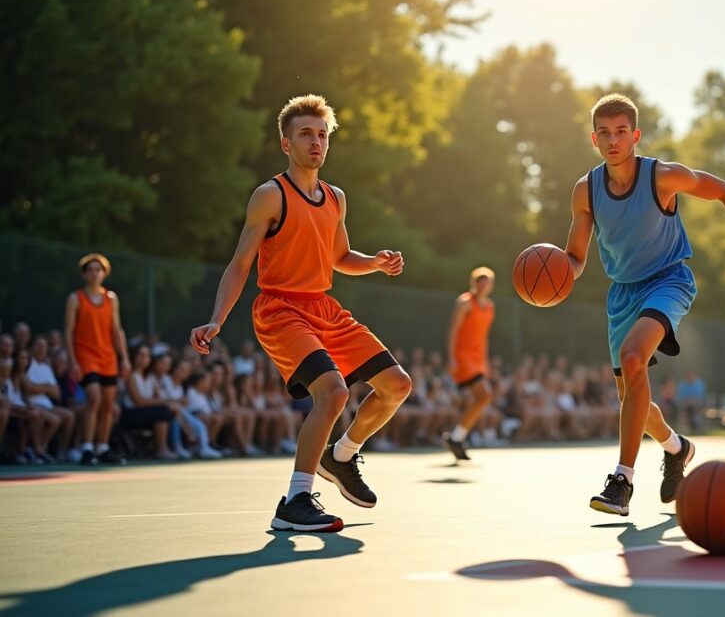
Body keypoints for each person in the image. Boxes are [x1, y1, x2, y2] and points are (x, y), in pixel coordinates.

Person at [190, 94, 412, 532]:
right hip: (281, 309)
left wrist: (374, 262)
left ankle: (341, 456)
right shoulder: (270, 196)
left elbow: (340, 256)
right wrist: (217, 319)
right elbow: (240, 265)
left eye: (322, 135)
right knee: (333, 393)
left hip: (324, 307)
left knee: (397, 385)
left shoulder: (336, 198)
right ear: (286, 144)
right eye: (306, 134)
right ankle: (294, 501)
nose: (316, 142)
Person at [564, 93, 725, 516]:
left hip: (669, 280)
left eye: (621, 132)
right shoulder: (585, 191)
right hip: (623, 293)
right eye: (605, 133)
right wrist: (557, 278)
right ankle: (676, 447)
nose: (613, 140)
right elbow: (575, 258)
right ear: (594, 139)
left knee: (633, 358)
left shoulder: (662, 177)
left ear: (636, 136)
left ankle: (622, 481)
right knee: (631, 396)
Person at [65, 253, 130, 465]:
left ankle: (102, 447)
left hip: (107, 357)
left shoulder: (111, 298)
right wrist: (73, 361)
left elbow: (116, 329)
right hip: (85, 355)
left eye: (98, 269)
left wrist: (124, 358)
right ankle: (86, 448)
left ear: (104, 273)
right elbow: (68, 332)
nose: (94, 273)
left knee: (108, 404)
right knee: (93, 398)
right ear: (84, 274)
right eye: (90, 270)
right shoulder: (75, 298)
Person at [444, 267, 497, 461]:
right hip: (463, 355)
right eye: (480, 280)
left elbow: (484, 336)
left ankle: (457, 438)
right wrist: (451, 357)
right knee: (484, 395)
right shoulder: (465, 302)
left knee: (482, 398)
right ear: (474, 283)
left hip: (478, 358)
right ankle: (457, 438)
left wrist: (485, 361)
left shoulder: (489, 307)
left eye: (487, 281)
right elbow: (453, 330)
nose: (483, 284)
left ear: (491, 285)